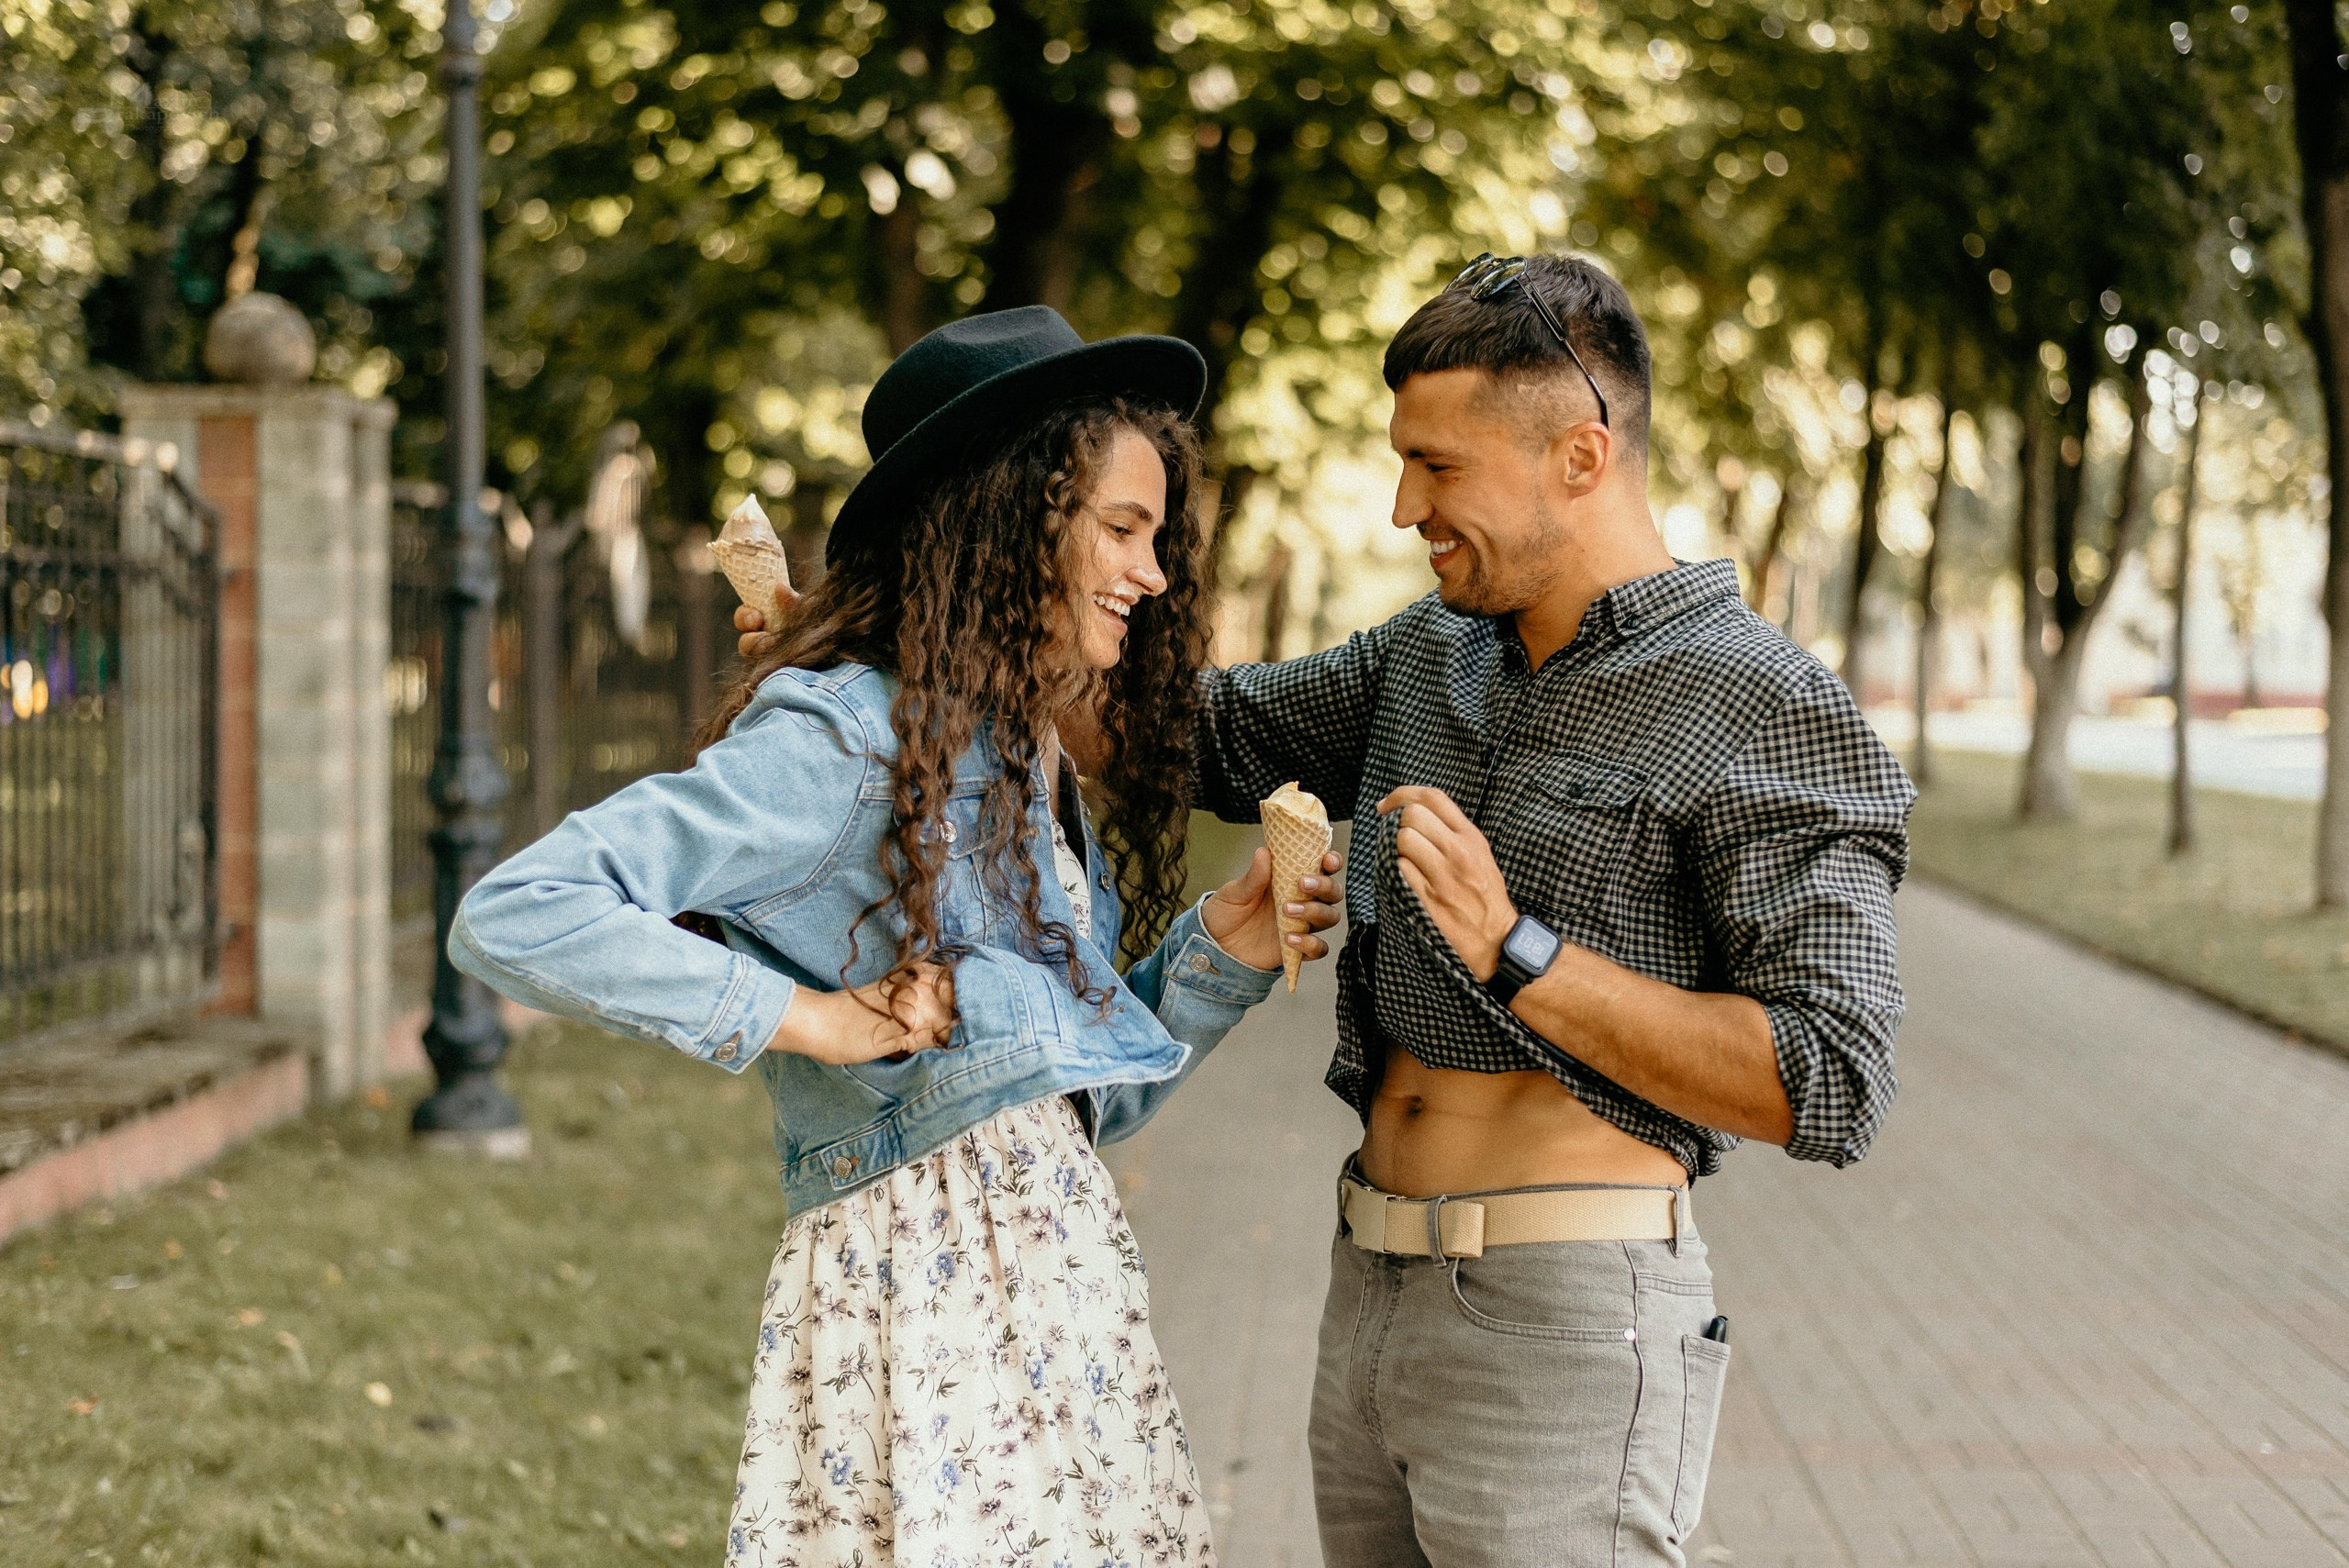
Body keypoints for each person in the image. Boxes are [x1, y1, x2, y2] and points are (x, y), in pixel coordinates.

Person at [450, 306, 1342, 1568]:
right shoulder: (839, 738)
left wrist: (1223, 955)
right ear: (1007, 521)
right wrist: (822, 1021)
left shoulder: (1021, 753)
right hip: (922, 1327)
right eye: (1123, 531)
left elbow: (1068, 1112)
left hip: (1068, 1330)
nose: (1151, 573)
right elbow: (519, 911)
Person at [1188, 253, 1913, 1565]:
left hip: (1568, 1318)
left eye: (1441, 467)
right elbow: (1204, 736)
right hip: (1368, 1292)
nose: (1406, 504)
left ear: (1581, 456)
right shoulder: (1429, 650)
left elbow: (1832, 1079)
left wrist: (1517, 951)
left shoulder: (1763, 701)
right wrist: (894, 639)